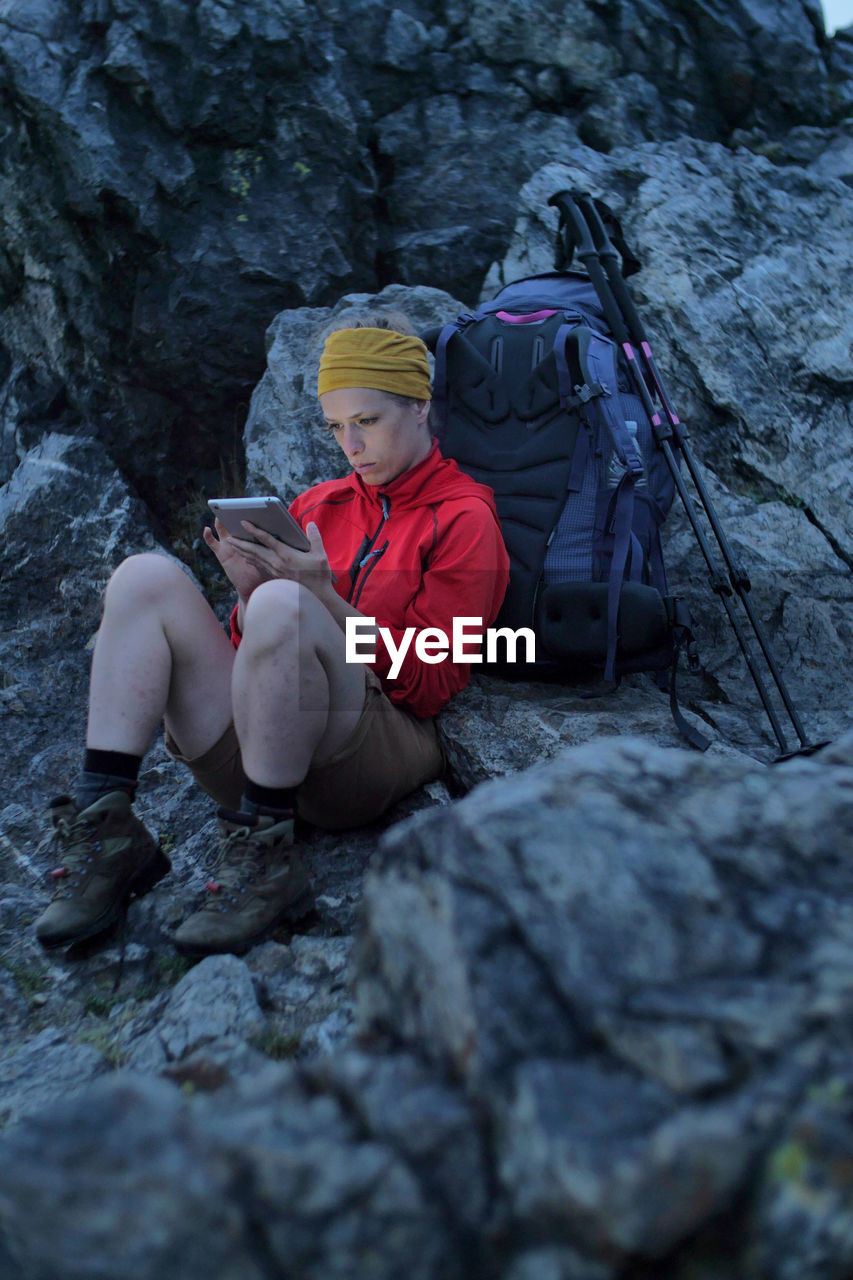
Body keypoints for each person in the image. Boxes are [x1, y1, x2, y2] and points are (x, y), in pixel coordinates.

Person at [35, 318, 510, 957]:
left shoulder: (465, 519)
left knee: (289, 600)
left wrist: (322, 599)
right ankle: (108, 831)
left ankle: (264, 860)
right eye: (335, 427)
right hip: (269, 749)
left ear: (420, 406)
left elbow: (430, 684)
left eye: (366, 421)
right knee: (144, 578)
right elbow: (263, 646)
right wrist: (246, 592)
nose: (351, 444)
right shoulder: (320, 505)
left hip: (364, 757)